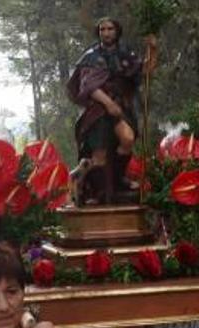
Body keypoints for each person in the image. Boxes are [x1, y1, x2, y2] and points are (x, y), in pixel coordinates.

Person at [67, 16, 156, 205]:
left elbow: (145, 71)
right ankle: (93, 188)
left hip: (120, 106)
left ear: (117, 31)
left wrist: (153, 48)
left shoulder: (125, 54)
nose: (106, 33)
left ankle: (116, 181)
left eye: (110, 29)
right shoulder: (91, 56)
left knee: (128, 139)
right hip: (98, 110)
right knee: (99, 156)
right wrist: (108, 104)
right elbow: (89, 85)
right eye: (102, 29)